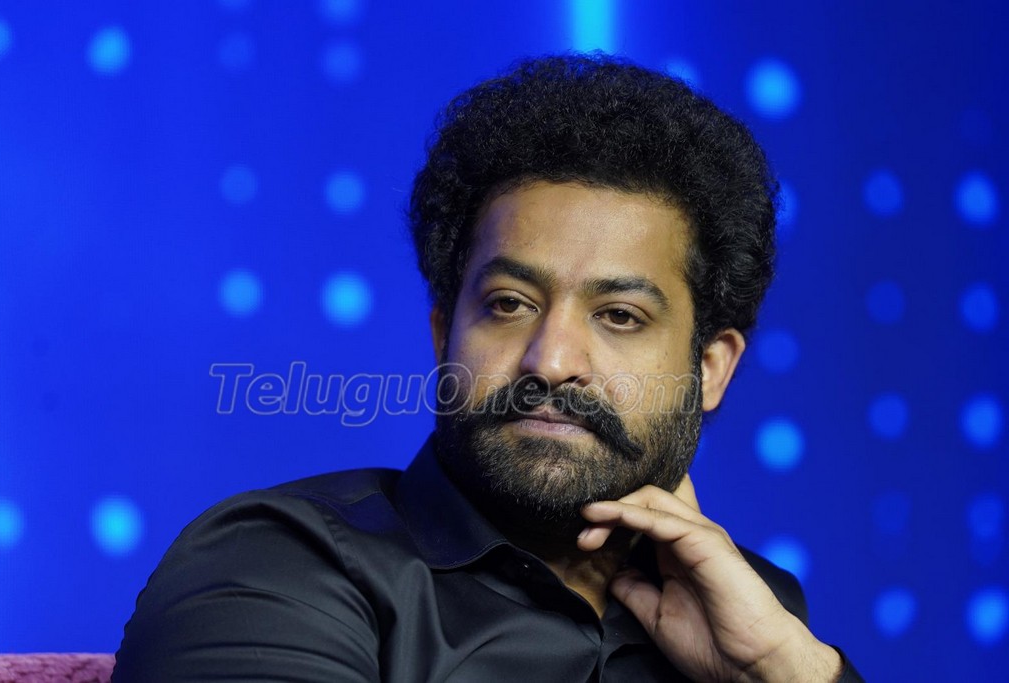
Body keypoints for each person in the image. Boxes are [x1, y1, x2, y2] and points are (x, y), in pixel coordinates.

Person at [113, 54, 864, 682]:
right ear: (444, 333)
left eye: (619, 316)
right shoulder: (281, 565)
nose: (552, 361)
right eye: (509, 304)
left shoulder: (752, 616)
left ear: (711, 368)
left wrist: (786, 668)